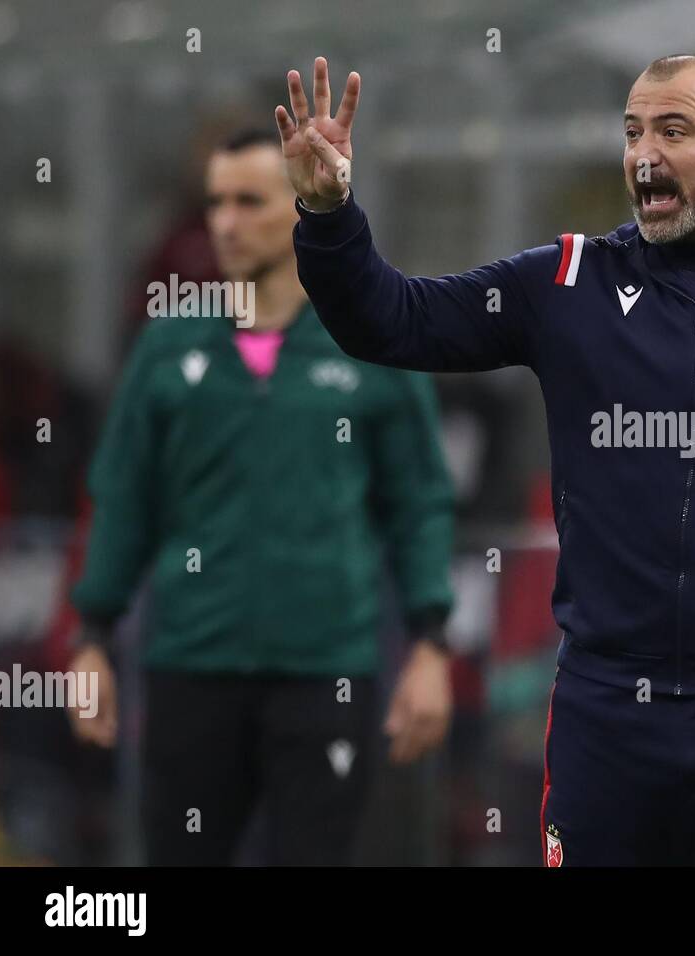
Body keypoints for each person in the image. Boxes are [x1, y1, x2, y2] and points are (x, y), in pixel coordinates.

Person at [279, 53, 695, 866]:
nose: (643, 156)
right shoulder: (568, 282)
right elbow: (392, 321)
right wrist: (327, 213)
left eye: (673, 131)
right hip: (609, 708)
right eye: (632, 132)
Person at [67, 128, 457, 866]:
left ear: (302, 207)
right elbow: (122, 500)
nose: (226, 221)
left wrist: (431, 645)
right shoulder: (168, 344)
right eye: (215, 203)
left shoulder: (371, 338)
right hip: (190, 667)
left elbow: (421, 501)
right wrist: (90, 638)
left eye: (250, 201)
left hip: (328, 673)